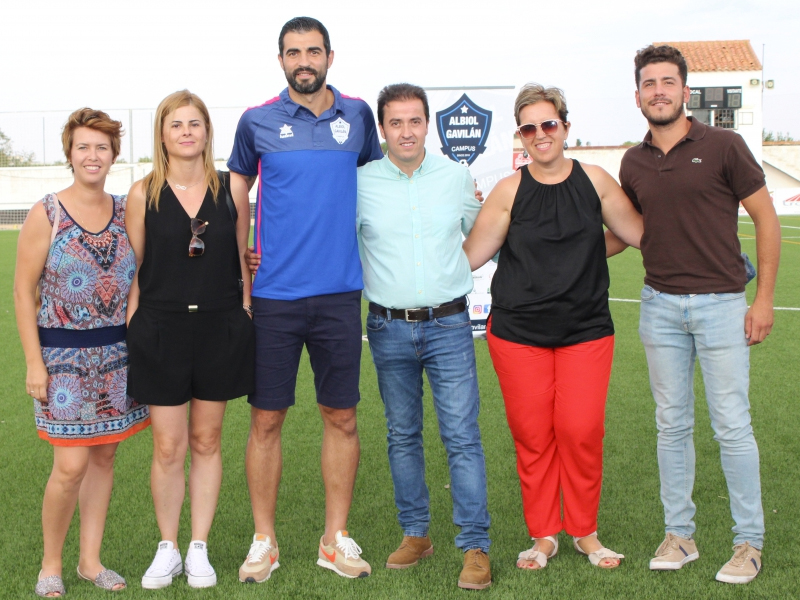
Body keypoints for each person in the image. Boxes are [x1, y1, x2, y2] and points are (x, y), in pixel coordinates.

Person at [463, 84, 643, 571]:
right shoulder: (508, 190)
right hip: (518, 334)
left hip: (586, 331)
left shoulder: (597, 181)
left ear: (565, 127)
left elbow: (635, 234)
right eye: (529, 127)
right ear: (519, 136)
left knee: (580, 430)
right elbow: (470, 257)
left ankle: (585, 531)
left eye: (549, 124)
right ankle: (544, 534)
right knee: (533, 434)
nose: (540, 135)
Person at [228, 16, 383, 582]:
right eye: (293, 52)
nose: (304, 60)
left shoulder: (359, 116)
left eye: (313, 50)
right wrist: (242, 251)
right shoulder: (257, 121)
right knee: (267, 419)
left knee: (341, 415)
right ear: (281, 61)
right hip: (274, 297)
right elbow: (238, 188)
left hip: (341, 294)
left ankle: (334, 537)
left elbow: (375, 182)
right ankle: (263, 540)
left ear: (330, 57)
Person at [618, 44, 780, 584]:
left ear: (685, 92)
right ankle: (679, 535)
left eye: (667, 82)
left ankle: (748, 543)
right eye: (648, 83)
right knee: (671, 426)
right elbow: (625, 232)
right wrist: (558, 251)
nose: (658, 91)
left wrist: (762, 300)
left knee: (732, 427)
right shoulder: (633, 161)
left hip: (721, 307)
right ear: (637, 94)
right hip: (659, 307)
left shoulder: (725, 145)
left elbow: (766, 218)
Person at [357, 83, 492, 590]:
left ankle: (475, 545)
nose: (406, 131)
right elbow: (337, 242)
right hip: (388, 327)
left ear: (428, 124)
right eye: (396, 122)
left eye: (415, 121)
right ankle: (416, 533)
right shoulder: (362, 182)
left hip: (451, 325)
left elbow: (488, 232)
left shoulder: (456, 177)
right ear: (382, 128)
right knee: (402, 435)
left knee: (461, 436)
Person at [14, 108, 150, 597]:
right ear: (70, 154)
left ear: (114, 155)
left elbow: (145, 274)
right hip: (62, 359)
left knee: (105, 457)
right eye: (83, 147)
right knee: (69, 466)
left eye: (102, 147)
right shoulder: (46, 212)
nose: (93, 156)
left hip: (116, 356)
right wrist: (34, 362)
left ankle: (90, 561)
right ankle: (51, 564)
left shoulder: (125, 209)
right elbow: (21, 292)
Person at [126, 90, 255, 589]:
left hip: (219, 326)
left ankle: (198, 547)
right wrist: (137, 326)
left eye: (194, 123)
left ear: (206, 131)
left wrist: (244, 309)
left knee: (206, 439)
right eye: (175, 124)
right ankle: (169, 547)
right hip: (161, 328)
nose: (186, 131)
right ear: (162, 133)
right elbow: (139, 267)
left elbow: (242, 257)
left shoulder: (231, 189)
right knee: (168, 445)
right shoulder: (143, 193)